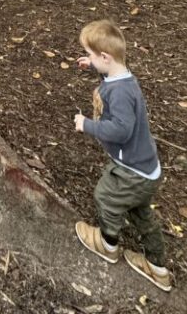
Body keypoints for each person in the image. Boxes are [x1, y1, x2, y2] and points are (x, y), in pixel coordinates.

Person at [73, 19, 171, 292]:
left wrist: (87, 125)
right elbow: (108, 73)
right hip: (148, 170)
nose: (90, 59)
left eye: (92, 56)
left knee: (105, 196)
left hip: (132, 171)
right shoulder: (122, 76)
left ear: (106, 56)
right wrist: (91, 65)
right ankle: (158, 267)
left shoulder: (120, 94)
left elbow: (120, 130)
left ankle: (107, 244)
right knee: (142, 215)